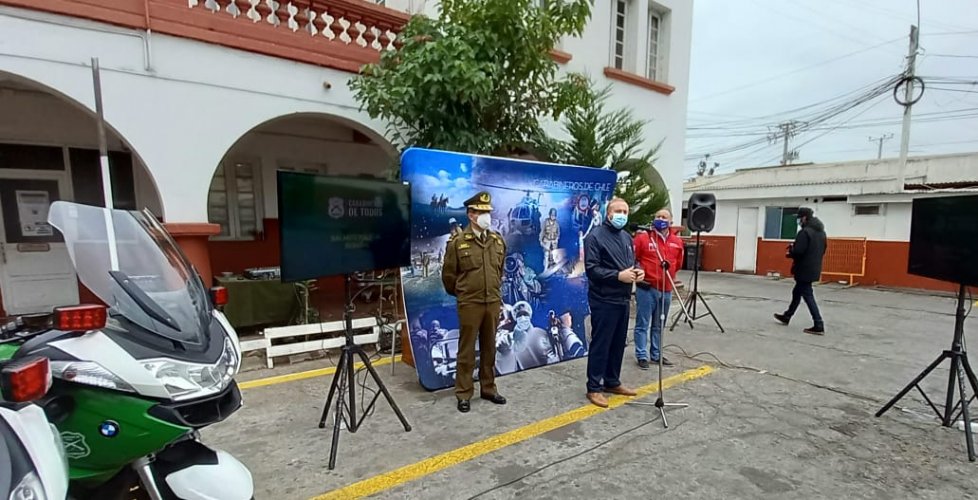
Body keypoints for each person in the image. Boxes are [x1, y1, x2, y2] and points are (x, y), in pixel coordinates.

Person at [441, 191, 508, 413]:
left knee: (490, 347)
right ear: (471, 215)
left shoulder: (497, 240)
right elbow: (449, 277)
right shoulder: (458, 243)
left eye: (488, 212)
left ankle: (488, 388)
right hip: (470, 303)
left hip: (492, 302)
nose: (486, 216)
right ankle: (463, 393)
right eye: (481, 212)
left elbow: (500, 270)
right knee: (467, 349)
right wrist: (463, 294)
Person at [583, 197, 642, 408]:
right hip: (603, 299)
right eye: (618, 211)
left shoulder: (626, 237)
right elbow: (592, 269)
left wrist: (637, 270)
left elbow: (631, 261)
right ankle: (594, 387)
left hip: (623, 299)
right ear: (609, 213)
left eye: (626, 212)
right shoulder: (595, 237)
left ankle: (612, 381)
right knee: (602, 344)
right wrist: (618, 276)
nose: (622, 215)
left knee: (618, 343)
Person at [633, 209, 684, 369]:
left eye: (664, 217)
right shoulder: (643, 238)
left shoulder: (677, 241)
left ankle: (656, 354)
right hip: (647, 289)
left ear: (671, 221)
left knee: (659, 324)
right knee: (643, 323)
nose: (660, 219)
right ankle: (642, 355)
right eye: (658, 216)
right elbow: (634, 259)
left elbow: (679, 263)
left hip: (666, 289)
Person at [774, 207, 827, 335]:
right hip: (814, 267)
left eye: (799, 218)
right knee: (797, 292)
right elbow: (823, 250)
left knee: (808, 295)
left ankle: (818, 323)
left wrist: (790, 251)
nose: (798, 221)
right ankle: (787, 316)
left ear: (804, 218)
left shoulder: (805, 232)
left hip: (804, 269)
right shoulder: (821, 233)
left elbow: (799, 251)